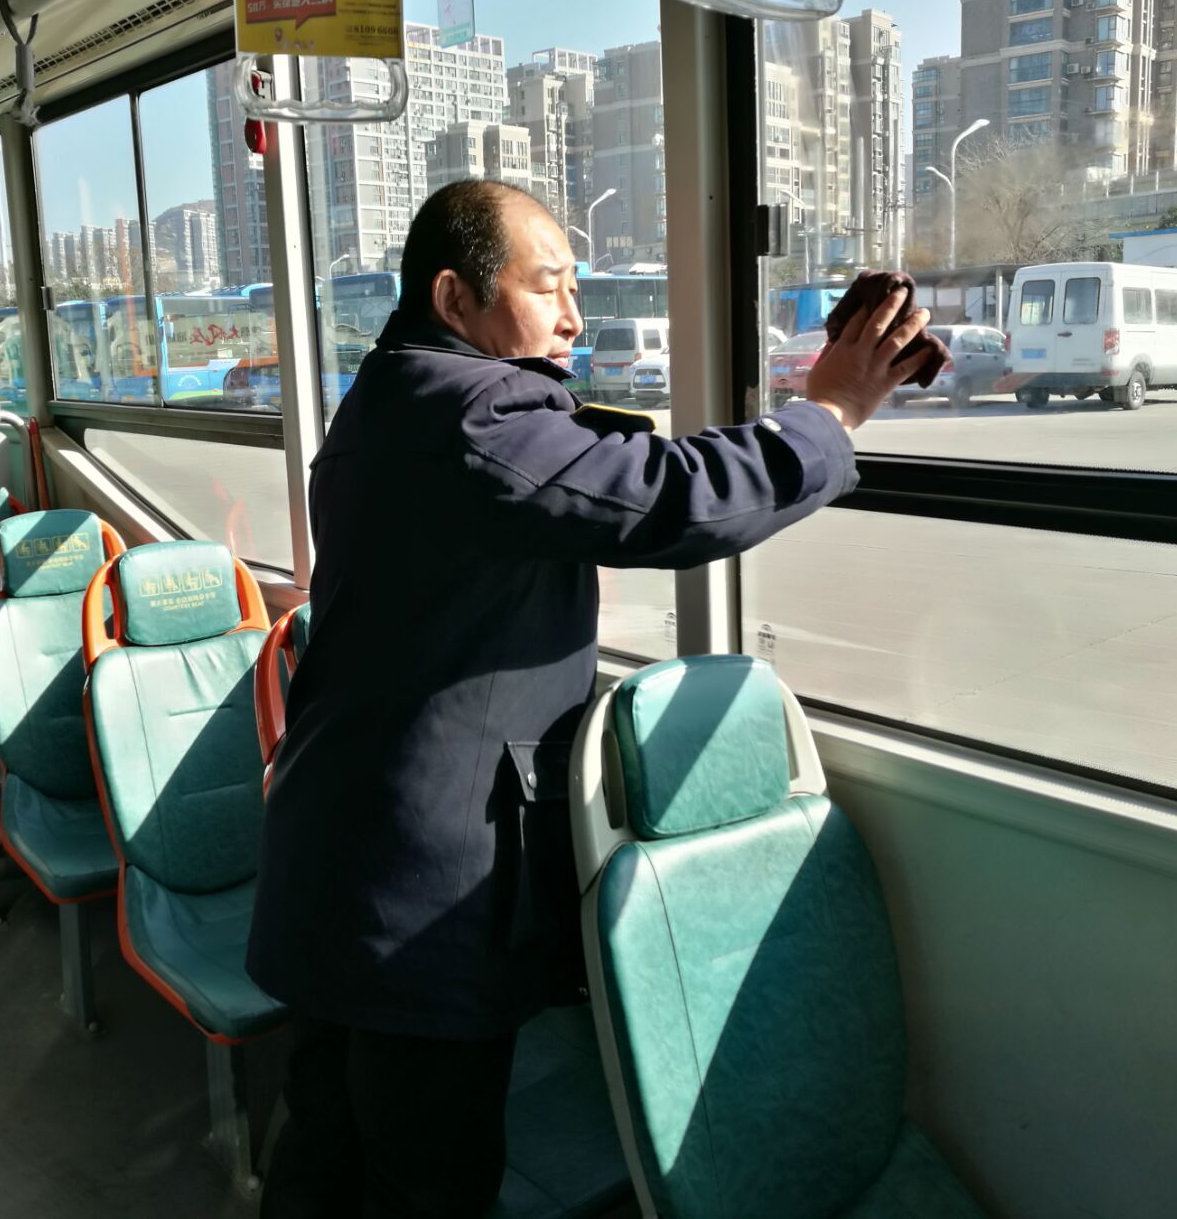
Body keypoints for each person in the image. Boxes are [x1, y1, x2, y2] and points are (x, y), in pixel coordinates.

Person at [250, 180, 937, 1218]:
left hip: (335, 851)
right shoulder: (471, 410)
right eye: (549, 287)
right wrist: (829, 413)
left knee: (327, 1143)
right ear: (454, 298)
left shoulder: (385, 397)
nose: (574, 316)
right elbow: (669, 497)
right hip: (415, 884)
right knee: (425, 1178)